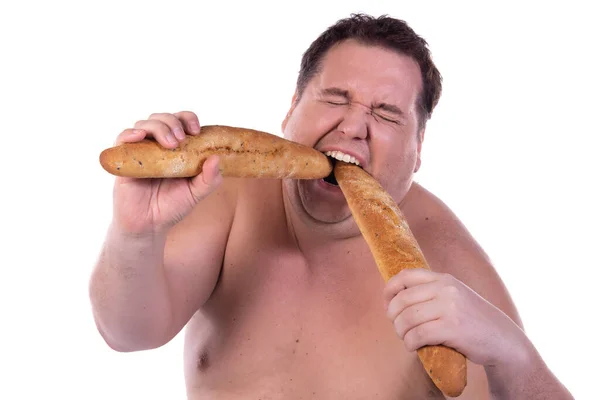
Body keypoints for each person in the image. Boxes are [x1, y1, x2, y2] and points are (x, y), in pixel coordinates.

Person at [89, 13, 574, 399]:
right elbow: (128, 333)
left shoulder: (447, 265)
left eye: (386, 114)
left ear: (420, 148)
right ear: (291, 108)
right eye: (335, 98)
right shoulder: (224, 189)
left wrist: (514, 356)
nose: (354, 127)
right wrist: (134, 234)